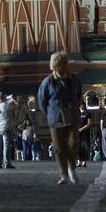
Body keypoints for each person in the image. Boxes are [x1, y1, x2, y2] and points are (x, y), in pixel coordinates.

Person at [37, 51, 83, 184]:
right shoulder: (48, 82)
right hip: (55, 118)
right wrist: (50, 113)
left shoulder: (74, 79)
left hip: (72, 116)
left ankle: (71, 168)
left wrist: (75, 107)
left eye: (63, 64)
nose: (61, 67)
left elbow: (79, 95)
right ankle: (63, 175)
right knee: (58, 147)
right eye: (58, 65)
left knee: (73, 144)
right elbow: (42, 101)